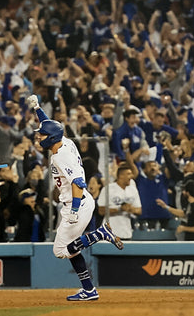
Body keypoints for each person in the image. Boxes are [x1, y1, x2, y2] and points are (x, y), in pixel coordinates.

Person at [26, 94, 123, 301]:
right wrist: (37, 108)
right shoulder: (64, 141)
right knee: (71, 250)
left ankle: (99, 234)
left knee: (60, 251)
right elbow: (48, 125)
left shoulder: (61, 155)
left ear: (50, 138)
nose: (38, 137)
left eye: (41, 135)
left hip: (77, 204)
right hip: (77, 202)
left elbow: (78, 182)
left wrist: (75, 211)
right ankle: (89, 290)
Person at [98, 163, 142, 240]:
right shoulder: (108, 189)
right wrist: (119, 209)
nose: (131, 176)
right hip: (109, 233)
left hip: (126, 233)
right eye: (128, 174)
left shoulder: (133, 190)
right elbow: (101, 211)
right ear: (121, 176)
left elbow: (139, 210)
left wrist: (131, 209)